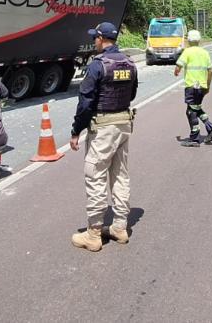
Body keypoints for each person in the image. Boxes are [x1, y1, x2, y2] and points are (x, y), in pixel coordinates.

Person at [69, 22, 138, 252]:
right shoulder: (129, 63)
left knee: (96, 176)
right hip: (124, 125)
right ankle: (120, 227)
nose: (94, 42)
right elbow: (133, 92)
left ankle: (94, 233)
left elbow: (85, 102)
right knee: (120, 175)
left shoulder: (98, 66)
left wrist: (76, 131)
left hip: (103, 128)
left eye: (95, 38)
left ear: (101, 39)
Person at [174, 30, 212, 147]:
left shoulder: (187, 52)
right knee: (196, 108)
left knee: (191, 111)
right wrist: (208, 86)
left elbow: (178, 66)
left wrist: (176, 72)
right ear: (199, 41)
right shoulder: (205, 53)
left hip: (191, 86)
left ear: (188, 41)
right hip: (202, 86)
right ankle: (211, 129)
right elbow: (210, 71)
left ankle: (195, 138)